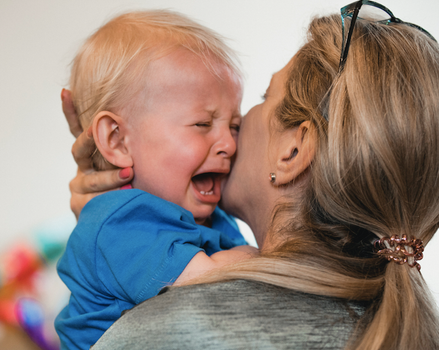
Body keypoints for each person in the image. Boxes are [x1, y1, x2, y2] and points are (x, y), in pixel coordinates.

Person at [65, 4, 439, 350]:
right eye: (201, 123)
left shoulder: (181, 330)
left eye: (254, 105)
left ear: (293, 150)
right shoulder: (396, 321)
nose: (229, 140)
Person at [55, 10, 259, 350]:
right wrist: (262, 255)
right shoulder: (116, 221)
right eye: (203, 124)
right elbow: (211, 285)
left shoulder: (212, 216)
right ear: (118, 140)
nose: (229, 144)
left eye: (233, 126)